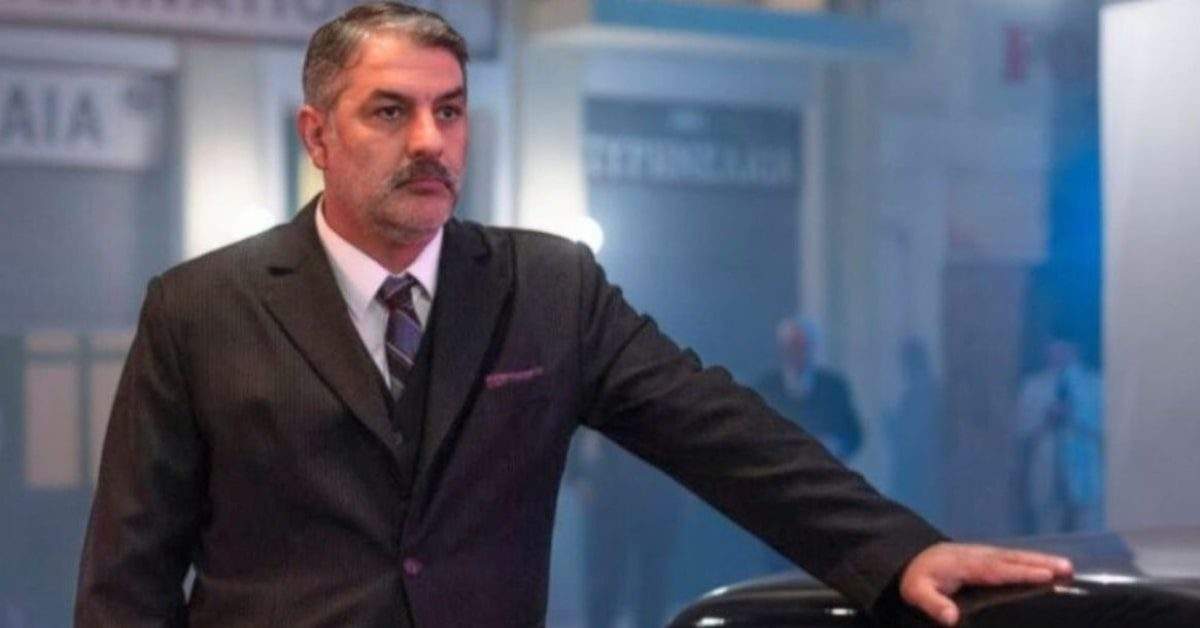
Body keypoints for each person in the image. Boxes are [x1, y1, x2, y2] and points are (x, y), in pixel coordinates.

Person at [74, 3, 1073, 627]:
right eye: (390, 111)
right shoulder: (200, 308)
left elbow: (719, 430)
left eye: (450, 110)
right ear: (317, 135)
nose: (430, 141)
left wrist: (898, 548)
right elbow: (129, 575)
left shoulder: (545, 288)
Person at [1016, 335, 1104, 534]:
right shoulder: (1033, 387)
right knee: (1047, 530)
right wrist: (1045, 419)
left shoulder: (1095, 385)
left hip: (1086, 475)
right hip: (1047, 474)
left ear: (1077, 350)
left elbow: (1105, 429)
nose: (1058, 354)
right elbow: (1022, 430)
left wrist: (1073, 416)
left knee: (1090, 531)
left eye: (1065, 349)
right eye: (1053, 349)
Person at [756, 317, 863, 460]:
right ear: (782, 349)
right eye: (792, 346)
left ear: (812, 348)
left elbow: (854, 434)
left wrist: (835, 445)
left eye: (803, 347)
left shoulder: (834, 388)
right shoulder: (765, 389)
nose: (797, 353)